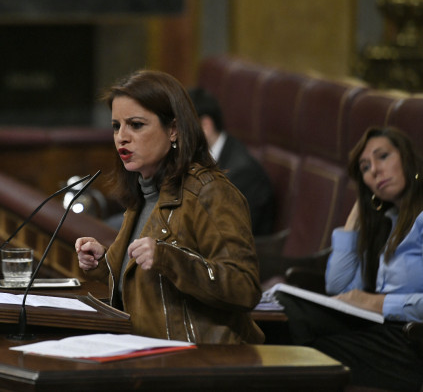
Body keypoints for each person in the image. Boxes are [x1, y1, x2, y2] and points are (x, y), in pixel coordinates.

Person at [75, 70, 264, 344]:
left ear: (173, 129)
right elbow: (144, 285)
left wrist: (170, 259)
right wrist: (102, 262)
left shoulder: (209, 192)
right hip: (146, 351)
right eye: (116, 126)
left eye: (136, 125)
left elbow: (244, 287)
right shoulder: (144, 192)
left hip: (203, 360)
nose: (121, 137)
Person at [276, 126, 423, 391]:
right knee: (286, 312)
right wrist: (359, 212)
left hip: (412, 343)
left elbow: (366, 299)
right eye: (365, 168)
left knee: (299, 355)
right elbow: (340, 287)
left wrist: (377, 302)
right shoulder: (386, 224)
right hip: (380, 333)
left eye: (383, 157)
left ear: (408, 157)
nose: (374, 171)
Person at [188, 87, 275, 236]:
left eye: (184, 127)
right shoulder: (198, 157)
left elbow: (227, 235)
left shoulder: (243, 173)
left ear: (205, 126)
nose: (176, 134)